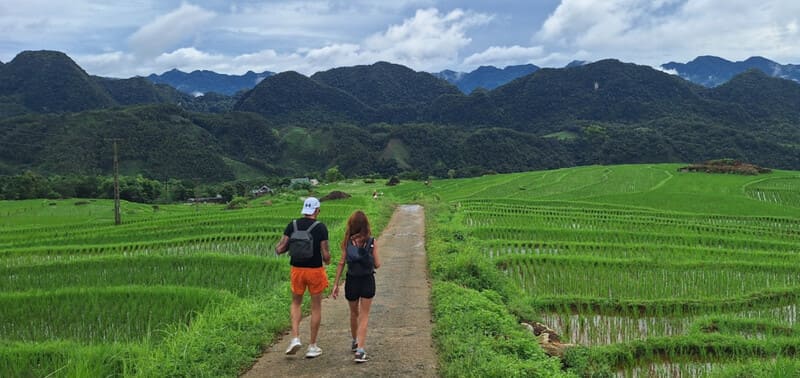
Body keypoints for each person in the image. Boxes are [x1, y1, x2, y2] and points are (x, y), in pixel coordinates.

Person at [274, 197, 331, 358]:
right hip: (314, 270)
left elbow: (281, 248)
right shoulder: (320, 227)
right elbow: (325, 253)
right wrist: (328, 260)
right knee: (316, 307)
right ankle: (312, 346)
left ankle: (295, 338)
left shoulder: (292, 225)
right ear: (317, 210)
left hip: (297, 270)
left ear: (304, 210)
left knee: (296, 303)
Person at [331, 210, 381, 363]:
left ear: (351, 225)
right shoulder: (372, 241)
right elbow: (377, 264)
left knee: (354, 314)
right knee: (364, 316)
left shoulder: (347, 242)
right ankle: (360, 350)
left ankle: (355, 341)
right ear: (366, 225)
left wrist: (336, 284)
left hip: (351, 281)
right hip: (367, 280)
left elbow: (341, 263)